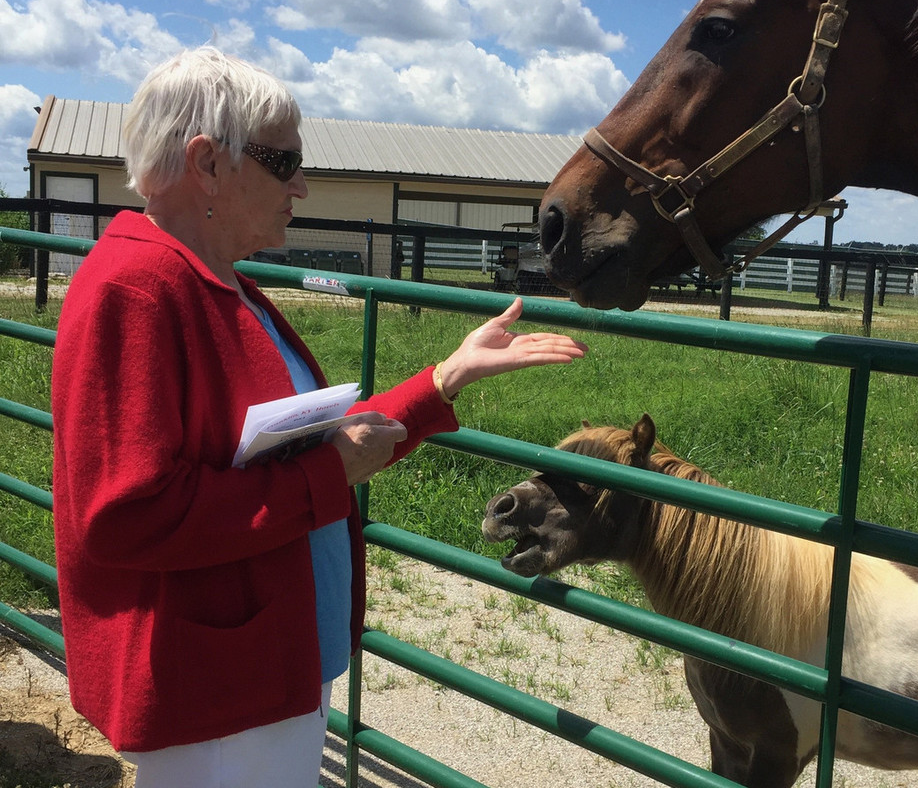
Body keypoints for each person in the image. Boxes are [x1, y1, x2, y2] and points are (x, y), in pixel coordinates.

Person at [50, 46, 588, 788]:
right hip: (215, 686)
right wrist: (325, 475)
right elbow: (125, 516)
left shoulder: (215, 281)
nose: (300, 184)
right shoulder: (137, 291)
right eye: (283, 162)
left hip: (261, 657)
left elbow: (304, 448)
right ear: (207, 164)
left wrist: (445, 377)